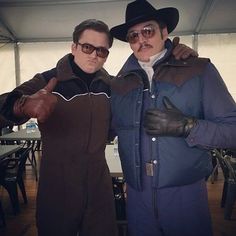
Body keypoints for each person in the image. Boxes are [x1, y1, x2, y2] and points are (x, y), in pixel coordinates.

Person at [0, 18, 196, 236]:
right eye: (87, 47)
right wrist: (20, 106)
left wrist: (173, 56)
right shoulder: (47, 81)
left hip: (99, 187)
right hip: (57, 186)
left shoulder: (113, 85)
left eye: (102, 50)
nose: (94, 54)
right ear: (74, 47)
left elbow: (148, 93)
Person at [110, 1, 236, 236]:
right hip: (137, 199)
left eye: (148, 31)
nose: (140, 40)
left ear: (164, 31)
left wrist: (188, 126)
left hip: (185, 197)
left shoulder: (199, 70)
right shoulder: (120, 83)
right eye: (133, 36)